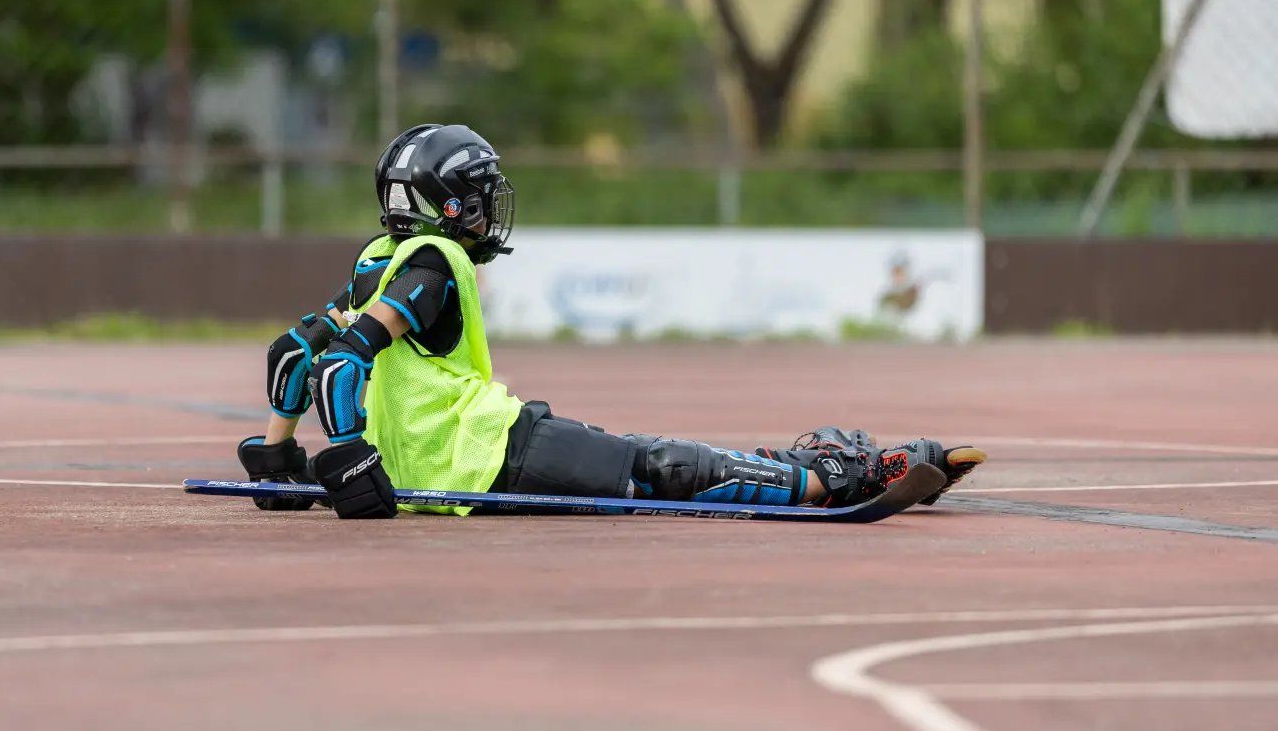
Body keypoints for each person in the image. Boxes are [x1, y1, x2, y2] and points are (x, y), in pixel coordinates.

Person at [238, 124, 985, 519]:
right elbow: (344, 363)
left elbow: (296, 352)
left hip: (437, 469)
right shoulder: (433, 261)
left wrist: (279, 466)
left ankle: (800, 471)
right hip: (489, 452)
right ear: (450, 203)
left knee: (641, 461)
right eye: (481, 192)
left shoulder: (379, 257)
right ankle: (830, 477)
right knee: (648, 466)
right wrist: (345, 464)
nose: (491, 207)